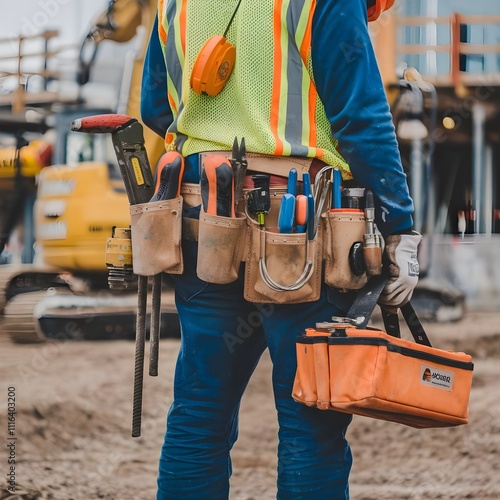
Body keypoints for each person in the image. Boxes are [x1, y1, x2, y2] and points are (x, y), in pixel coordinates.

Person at [141, 1, 421, 498]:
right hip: (304, 231)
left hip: (203, 219)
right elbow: (360, 116)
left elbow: (155, 108)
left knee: (199, 413)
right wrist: (399, 226)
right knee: (310, 423)